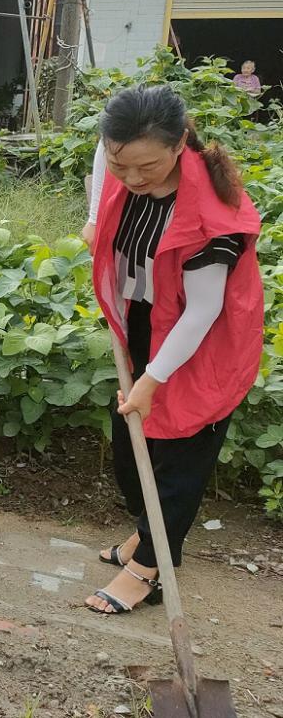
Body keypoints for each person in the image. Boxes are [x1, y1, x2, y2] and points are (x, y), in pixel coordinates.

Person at [85, 85, 262, 614]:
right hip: (146, 318)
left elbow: (203, 311)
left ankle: (150, 569)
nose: (133, 180)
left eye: (148, 168)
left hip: (205, 340)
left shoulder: (214, 219)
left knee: (179, 452)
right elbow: (105, 155)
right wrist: (98, 215)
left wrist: (152, 379)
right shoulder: (122, 156)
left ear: (180, 142)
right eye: (123, 168)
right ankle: (147, 533)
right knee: (130, 443)